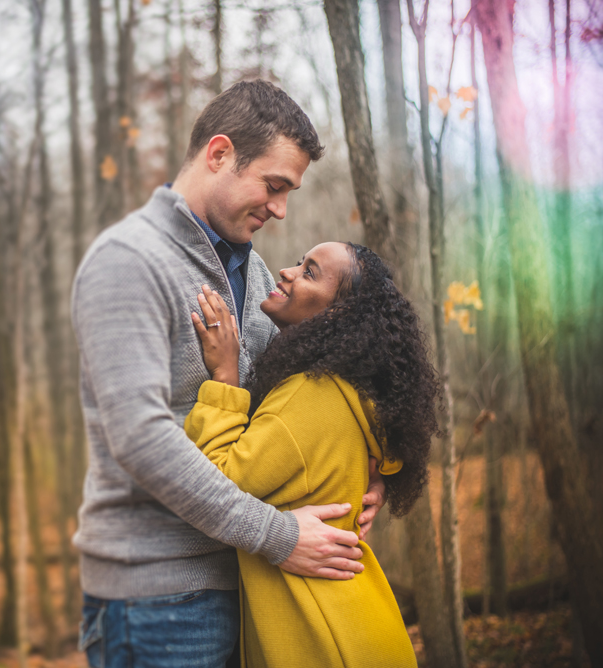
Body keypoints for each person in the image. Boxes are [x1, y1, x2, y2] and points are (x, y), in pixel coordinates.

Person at [71, 80, 387, 667]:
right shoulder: (128, 261)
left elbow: (304, 398)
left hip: (250, 588)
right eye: (273, 186)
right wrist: (277, 535)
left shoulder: (258, 274)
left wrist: (369, 477)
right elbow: (142, 441)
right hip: (159, 599)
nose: (280, 209)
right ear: (219, 155)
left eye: (289, 192)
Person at [186, 242, 439, 667]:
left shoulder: (308, 393)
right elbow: (387, 454)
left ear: (339, 314)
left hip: (322, 637)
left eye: (309, 272)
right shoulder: (349, 387)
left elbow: (214, 486)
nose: (286, 272)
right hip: (354, 622)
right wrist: (378, 476)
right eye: (301, 262)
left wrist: (225, 376)